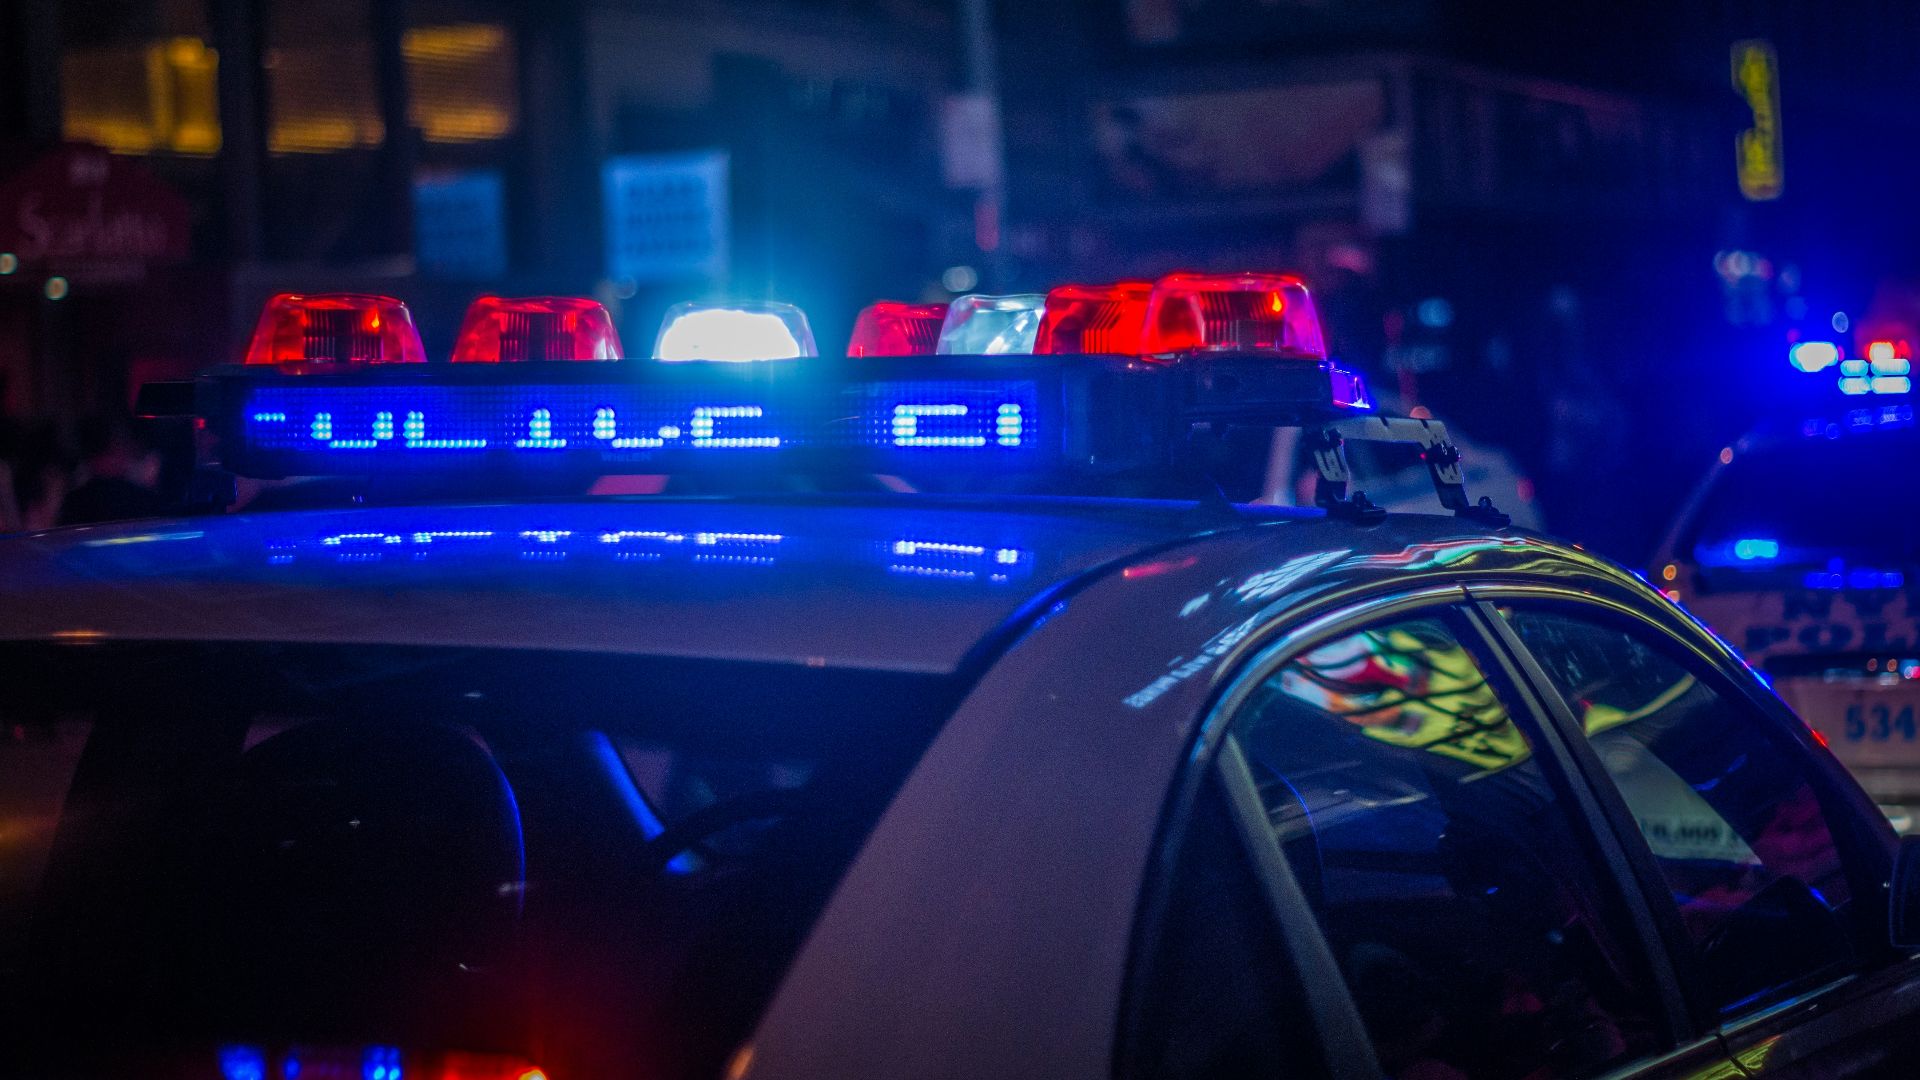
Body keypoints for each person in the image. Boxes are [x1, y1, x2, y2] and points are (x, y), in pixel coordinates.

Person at [57, 415, 168, 526]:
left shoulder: (72, 503)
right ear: (114, 447)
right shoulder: (142, 501)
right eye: (123, 444)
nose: (127, 452)